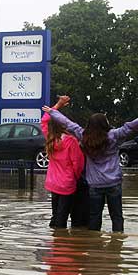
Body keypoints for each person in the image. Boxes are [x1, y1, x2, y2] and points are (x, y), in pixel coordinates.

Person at [43, 98, 138, 232]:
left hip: (95, 184)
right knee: (117, 216)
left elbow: (69, 124)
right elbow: (130, 127)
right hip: (113, 183)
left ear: (89, 125)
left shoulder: (84, 136)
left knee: (94, 216)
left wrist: (53, 112)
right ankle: (117, 244)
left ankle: (95, 245)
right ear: (105, 124)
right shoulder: (114, 136)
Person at [41, 96, 85, 229]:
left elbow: (44, 121)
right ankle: (60, 241)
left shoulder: (49, 138)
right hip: (67, 183)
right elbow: (78, 164)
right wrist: (75, 177)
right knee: (63, 215)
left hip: (53, 182)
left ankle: (54, 238)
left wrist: (58, 105)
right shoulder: (71, 141)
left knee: (55, 213)